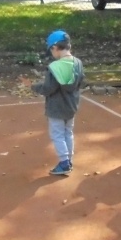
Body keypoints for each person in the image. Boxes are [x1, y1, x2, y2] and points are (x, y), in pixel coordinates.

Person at [32, 30, 85, 176]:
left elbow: (48, 89)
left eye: (51, 50)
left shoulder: (54, 68)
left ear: (55, 47)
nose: (51, 53)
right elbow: (81, 81)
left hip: (56, 107)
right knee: (68, 132)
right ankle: (69, 159)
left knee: (57, 135)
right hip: (71, 106)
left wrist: (34, 86)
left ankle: (64, 162)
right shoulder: (78, 63)